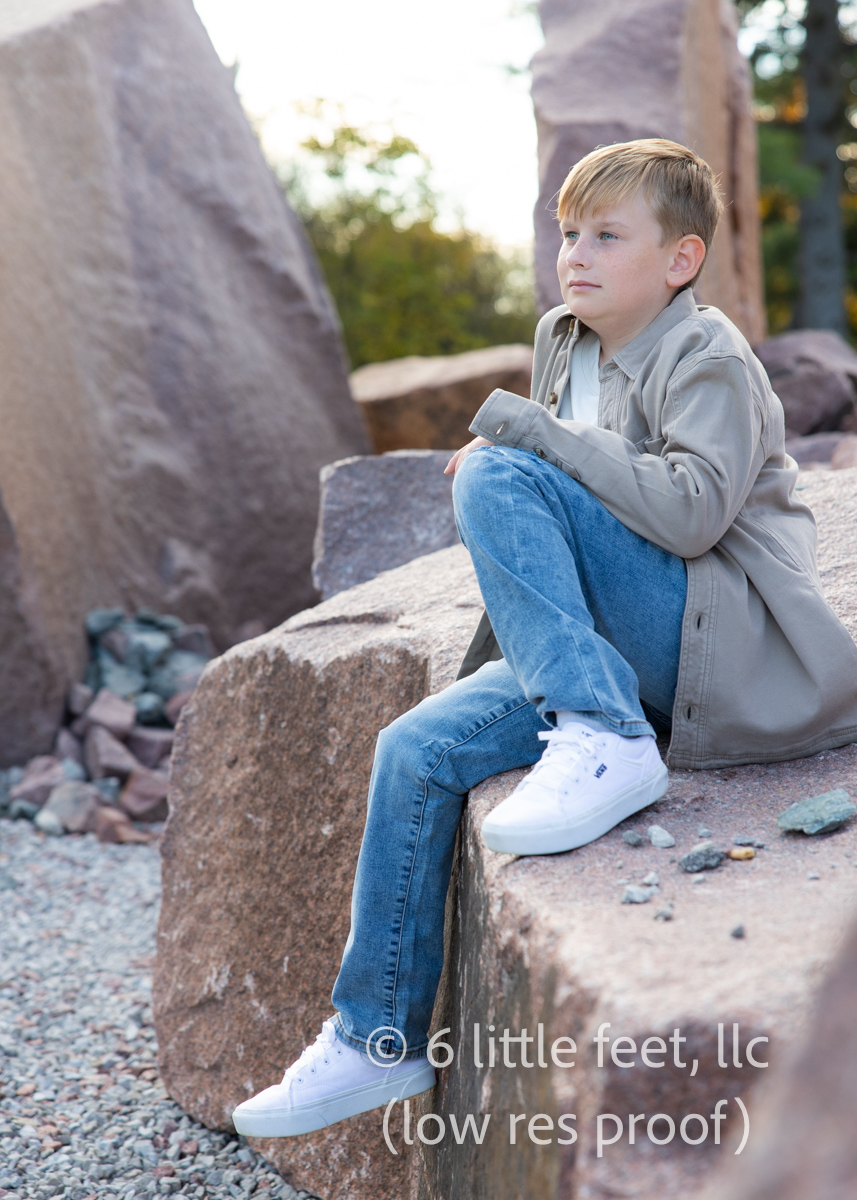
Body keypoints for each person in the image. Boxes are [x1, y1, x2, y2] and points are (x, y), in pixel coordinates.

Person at [231, 138, 857, 1139]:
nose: (575, 254)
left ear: (680, 260)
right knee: (414, 749)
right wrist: (531, 458)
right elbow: (569, 516)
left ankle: (602, 734)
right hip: (613, 649)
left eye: (607, 235)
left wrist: (531, 438)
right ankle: (375, 1036)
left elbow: (691, 515)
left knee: (495, 466)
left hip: (716, 643)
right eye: (568, 233)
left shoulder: (708, 357)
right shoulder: (562, 340)